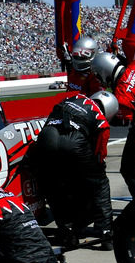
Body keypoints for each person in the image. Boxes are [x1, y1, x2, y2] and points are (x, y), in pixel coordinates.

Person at [28, 91, 119, 250]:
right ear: (110, 111)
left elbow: (49, 120)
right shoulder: (101, 120)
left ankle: (66, 230)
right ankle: (106, 233)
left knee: (53, 184)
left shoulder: (72, 98)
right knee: (100, 184)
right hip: (74, 144)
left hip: (46, 138)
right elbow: (100, 156)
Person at [91, 51, 135, 197]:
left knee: (128, 169)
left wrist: (104, 115)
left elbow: (124, 120)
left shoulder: (122, 95)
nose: (101, 81)